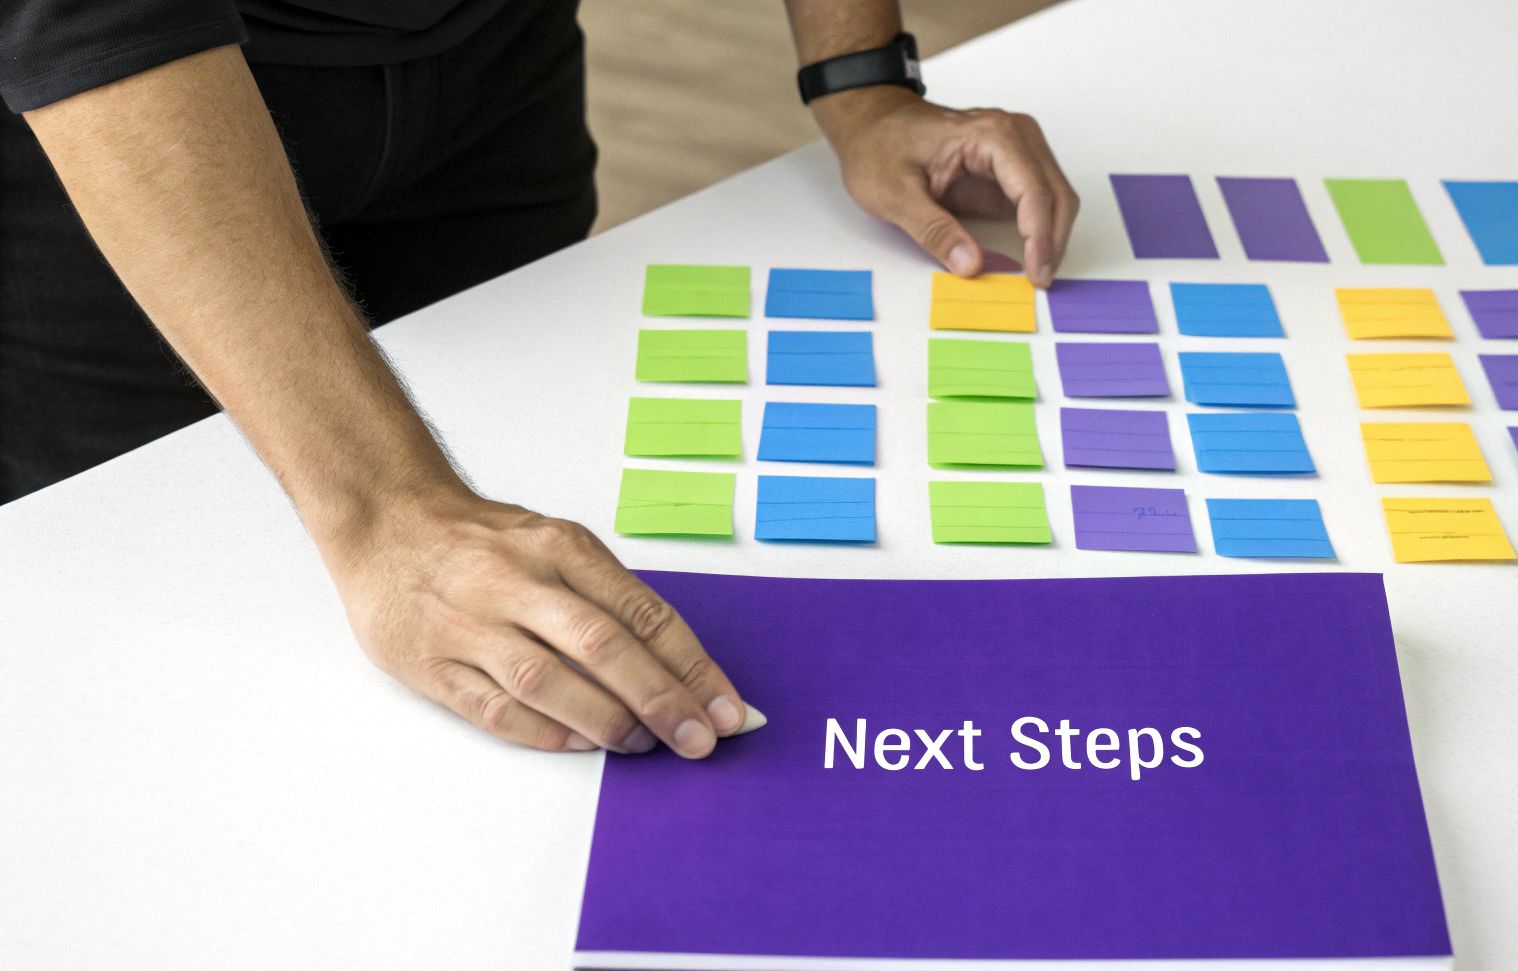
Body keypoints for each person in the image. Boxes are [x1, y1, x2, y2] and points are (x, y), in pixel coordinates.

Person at [0, 1, 1078, 759]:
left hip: (490, 70)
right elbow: (90, 21)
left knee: (530, 591)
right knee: (151, 642)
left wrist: (861, 83)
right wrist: (388, 511)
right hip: (127, 129)